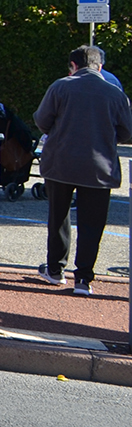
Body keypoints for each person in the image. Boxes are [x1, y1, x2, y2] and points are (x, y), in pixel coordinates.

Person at [33, 46, 132, 295]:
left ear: (73, 66)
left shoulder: (60, 86)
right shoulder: (115, 93)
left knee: (58, 218)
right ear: (100, 67)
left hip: (60, 162)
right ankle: (84, 278)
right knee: (92, 223)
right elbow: (127, 132)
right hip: (100, 166)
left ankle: (55, 269)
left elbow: (42, 120)